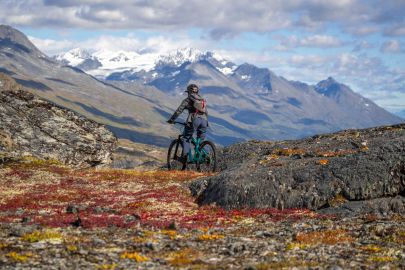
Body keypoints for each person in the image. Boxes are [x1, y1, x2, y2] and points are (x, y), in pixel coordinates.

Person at [167, 83, 208, 167]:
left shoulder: (187, 100)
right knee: (200, 141)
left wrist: (172, 120)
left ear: (189, 91)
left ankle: (184, 158)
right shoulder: (202, 100)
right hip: (204, 121)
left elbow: (179, 110)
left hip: (194, 120)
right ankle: (203, 156)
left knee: (186, 138)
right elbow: (206, 112)